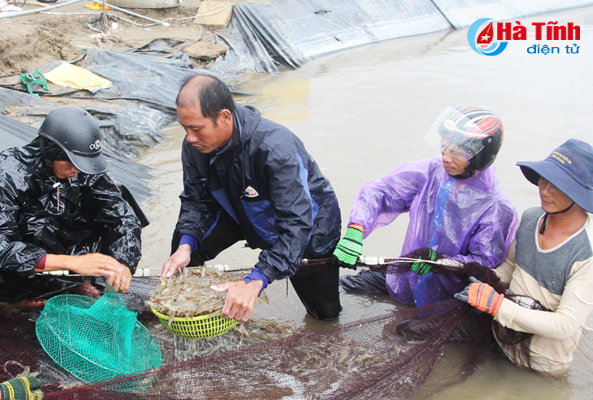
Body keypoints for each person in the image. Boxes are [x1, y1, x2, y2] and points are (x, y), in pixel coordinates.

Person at [161, 74, 342, 322]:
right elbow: (196, 200)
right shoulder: (194, 146)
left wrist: (257, 278)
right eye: (184, 128)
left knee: (324, 314)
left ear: (224, 117)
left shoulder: (275, 149)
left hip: (308, 224)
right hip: (236, 208)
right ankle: (191, 313)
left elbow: (295, 224)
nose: (189, 137)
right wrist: (185, 246)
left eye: (196, 129)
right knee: (186, 249)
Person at [333, 105, 518, 307]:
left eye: (456, 152)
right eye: (444, 147)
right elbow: (381, 191)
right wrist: (356, 229)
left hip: (448, 294)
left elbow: (484, 261)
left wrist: (439, 263)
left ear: (481, 156)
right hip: (404, 275)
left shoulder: (496, 206)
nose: (446, 156)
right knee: (341, 287)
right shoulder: (431, 170)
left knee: (406, 333)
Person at [455, 138, 593, 376]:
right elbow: (510, 267)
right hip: (499, 333)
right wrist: (484, 280)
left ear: (578, 193)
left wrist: (496, 305)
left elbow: (564, 325)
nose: (545, 190)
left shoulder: (591, 253)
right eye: (544, 179)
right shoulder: (532, 218)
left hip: (539, 362)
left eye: (557, 185)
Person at [0, 106, 145, 299]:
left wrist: (122, 264)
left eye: (82, 163)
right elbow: (3, 247)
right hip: (25, 271)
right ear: (51, 151)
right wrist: (70, 262)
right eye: (70, 162)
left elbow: (122, 218)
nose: (76, 169)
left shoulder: (84, 171)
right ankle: (38, 293)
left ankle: (75, 283)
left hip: (74, 259)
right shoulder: (9, 175)